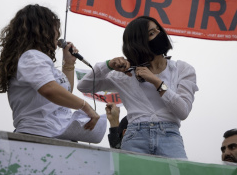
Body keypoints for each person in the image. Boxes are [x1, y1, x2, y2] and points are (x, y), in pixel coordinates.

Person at [78, 16, 198, 159]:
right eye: (152, 34)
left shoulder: (182, 69)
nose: (159, 35)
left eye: (158, 30)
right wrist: (108, 65)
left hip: (170, 137)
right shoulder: (125, 74)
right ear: (139, 43)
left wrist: (157, 83)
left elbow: (183, 111)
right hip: (135, 137)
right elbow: (84, 86)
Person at [0, 4, 99, 138]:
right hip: (39, 136)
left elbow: (63, 93)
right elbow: (50, 89)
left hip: (54, 135)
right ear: (43, 29)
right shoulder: (32, 57)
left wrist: (68, 63)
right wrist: (85, 106)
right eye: (55, 28)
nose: (58, 33)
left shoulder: (35, 59)